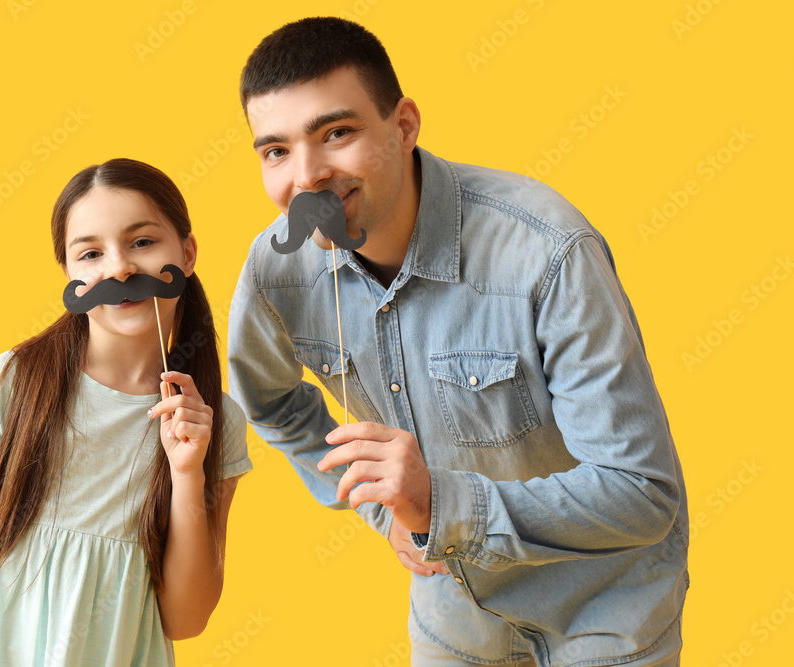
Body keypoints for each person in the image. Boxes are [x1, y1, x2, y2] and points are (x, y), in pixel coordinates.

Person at [227, 17, 687, 667]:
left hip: (602, 608)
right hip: (454, 609)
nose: (306, 176)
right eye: (275, 150)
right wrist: (391, 514)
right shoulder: (278, 268)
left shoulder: (547, 251)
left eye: (336, 132)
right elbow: (268, 400)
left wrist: (440, 502)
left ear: (404, 125)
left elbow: (642, 494)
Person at [0, 158, 251, 666]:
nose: (119, 269)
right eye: (91, 253)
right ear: (69, 275)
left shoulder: (214, 421)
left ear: (188, 252)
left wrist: (186, 473)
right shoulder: (14, 382)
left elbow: (185, 619)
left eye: (142, 242)